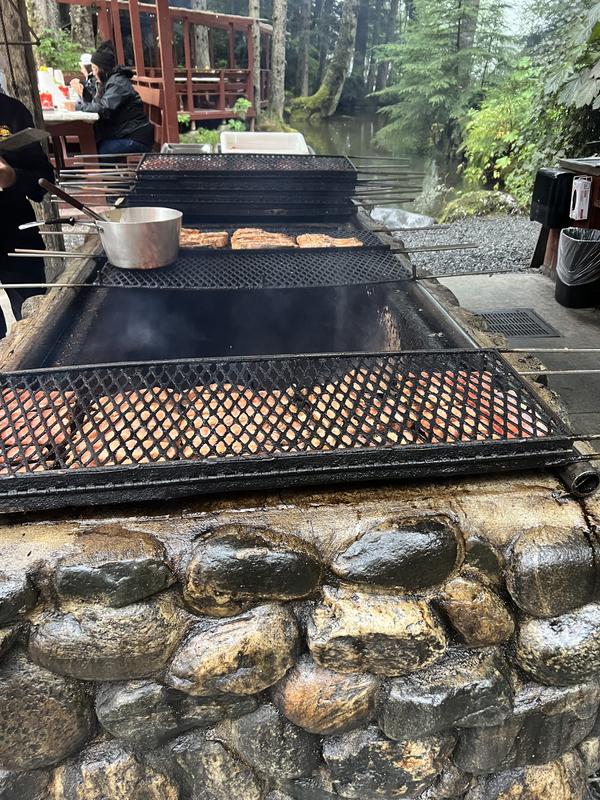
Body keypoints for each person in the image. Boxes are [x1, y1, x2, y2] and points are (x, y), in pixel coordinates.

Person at [0, 91, 54, 339]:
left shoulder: (9, 111)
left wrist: (13, 178)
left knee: (37, 327)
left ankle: (35, 378)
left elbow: (44, 180)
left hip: (16, 237)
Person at [70, 41, 154, 156]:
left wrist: (76, 106)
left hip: (135, 138)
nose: (93, 73)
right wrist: (84, 94)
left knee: (94, 151)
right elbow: (99, 103)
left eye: (95, 69)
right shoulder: (109, 81)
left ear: (103, 69)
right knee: (90, 146)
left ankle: (90, 171)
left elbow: (104, 108)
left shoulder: (118, 83)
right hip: (122, 134)